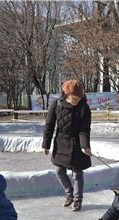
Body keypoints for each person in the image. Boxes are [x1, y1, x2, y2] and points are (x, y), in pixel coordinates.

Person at [42, 79, 92, 212]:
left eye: (79, 98)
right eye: (74, 98)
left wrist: (85, 145)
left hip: (76, 144)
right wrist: (46, 144)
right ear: (66, 94)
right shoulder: (56, 104)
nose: (77, 100)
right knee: (59, 171)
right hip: (61, 142)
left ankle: (77, 200)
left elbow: (84, 129)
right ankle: (69, 194)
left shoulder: (84, 108)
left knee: (77, 173)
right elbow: (49, 125)